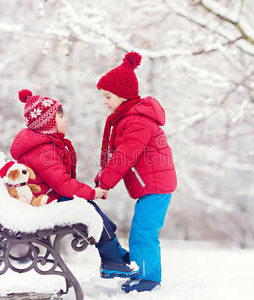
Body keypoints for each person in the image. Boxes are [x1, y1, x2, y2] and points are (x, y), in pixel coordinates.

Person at [10, 89, 139, 278]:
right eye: (61, 116)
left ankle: (115, 255)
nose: (66, 120)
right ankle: (112, 261)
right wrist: (93, 192)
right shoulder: (44, 150)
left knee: (96, 214)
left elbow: (62, 183)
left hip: (49, 199)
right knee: (90, 209)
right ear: (48, 123)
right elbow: (63, 184)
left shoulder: (45, 146)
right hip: (46, 203)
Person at [94, 51, 178, 293]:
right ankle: (143, 274)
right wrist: (103, 178)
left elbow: (124, 156)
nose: (106, 101)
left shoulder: (137, 121)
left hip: (157, 185)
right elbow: (118, 154)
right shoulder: (129, 118)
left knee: (144, 231)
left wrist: (106, 183)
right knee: (141, 229)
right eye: (103, 97)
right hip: (152, 185)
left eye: (108, 96)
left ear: (123, 95)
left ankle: (148, 279)